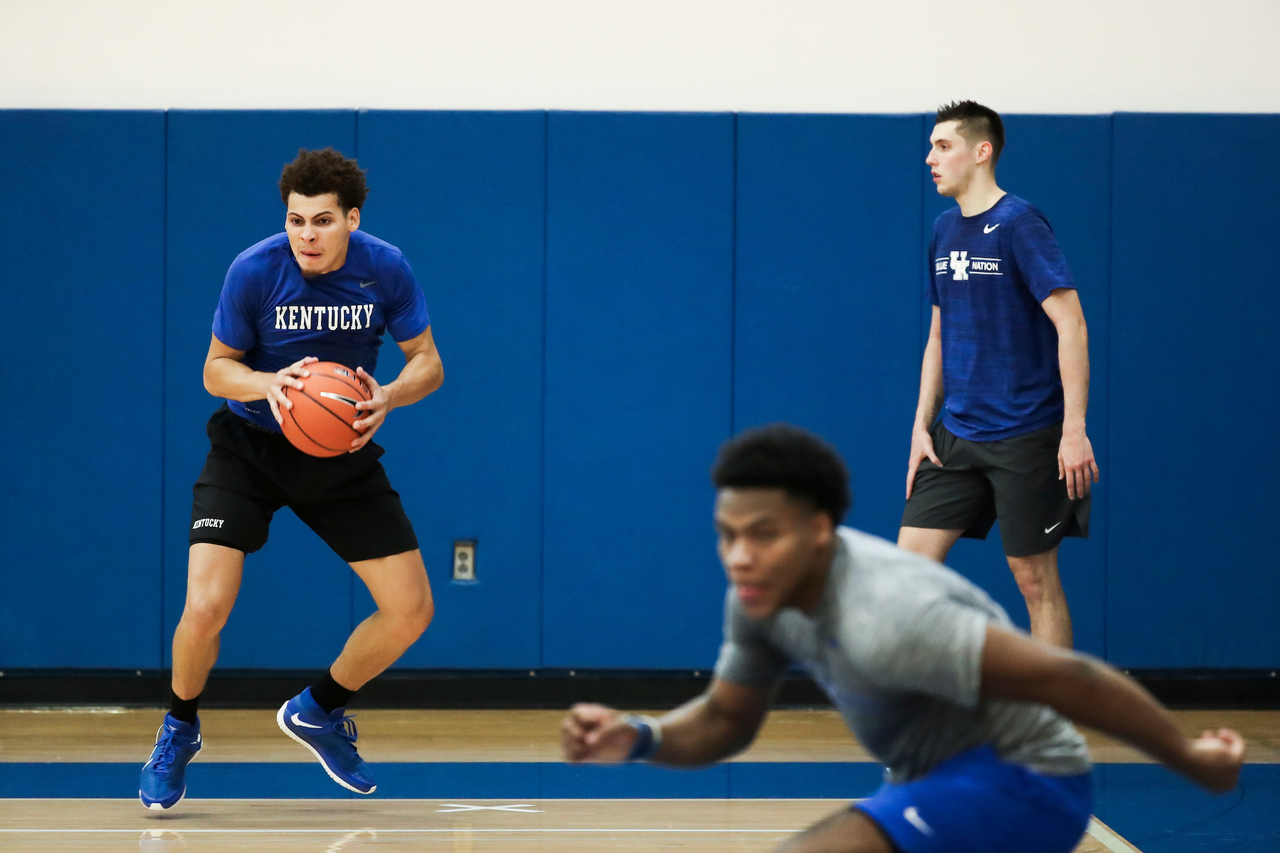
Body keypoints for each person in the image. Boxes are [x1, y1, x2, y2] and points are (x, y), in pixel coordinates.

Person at [562, 424, 1244, 853]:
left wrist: (1191, 757)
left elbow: (1075, 680)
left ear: (821, 529)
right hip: (930, 780)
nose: (739, 555)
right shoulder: (760, 599)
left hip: (1028, 780)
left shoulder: (894, 611)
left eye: (763, 533)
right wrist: (640, 735)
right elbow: (726, 718)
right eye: (728, 534)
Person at [139, 148, 444, 810]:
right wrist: (267, 383)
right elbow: (216, 369)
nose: (306, 234)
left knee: (412, 608)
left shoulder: (384, 269)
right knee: (205, 606)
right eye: (296, 220)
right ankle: (178, 726)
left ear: (351, 220)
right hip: (248, 447)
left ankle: (320, 710)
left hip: (339, 449)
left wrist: (388, 395)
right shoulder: (254, 270)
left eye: (322, 221)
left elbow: (427, 361)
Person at [900, 100, 1098, 649]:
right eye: (931, 146)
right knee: (904, 577)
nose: (930, 158)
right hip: (955, 432)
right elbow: (938, 337)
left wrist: (1073, 429)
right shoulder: (942, 230)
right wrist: (921, 425)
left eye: (943, 146)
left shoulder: (1019, 224)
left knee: (1035, 581)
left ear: (981, 152)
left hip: (1026, 434)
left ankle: (1047, 723)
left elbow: (1072, 325)